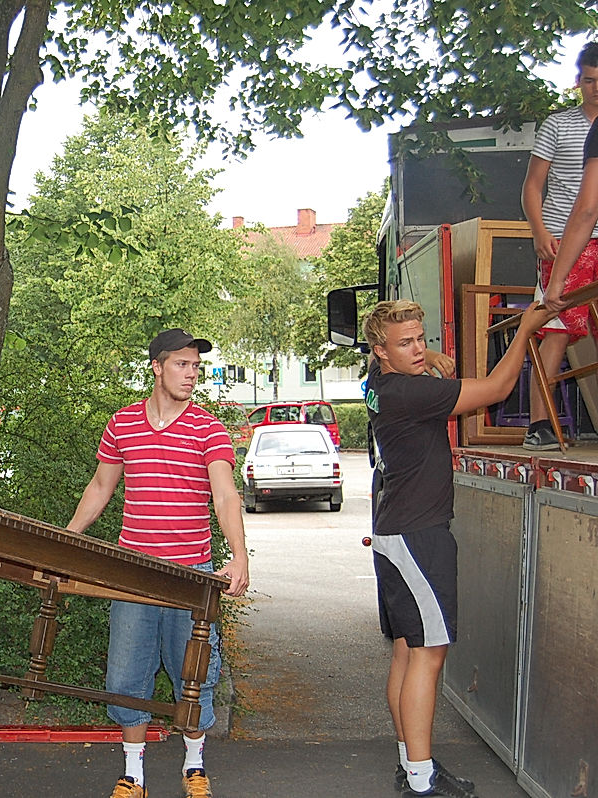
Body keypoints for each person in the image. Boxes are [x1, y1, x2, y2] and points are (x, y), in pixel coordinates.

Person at [363, 299, 554, 797]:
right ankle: (421, 783)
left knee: (407, 653)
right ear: (380, 351)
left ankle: (414, 767)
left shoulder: (381, 385)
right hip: (418, 536)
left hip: (396, 532)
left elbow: (421, 373)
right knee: (429, 655)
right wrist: (526, 328)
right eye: (405, 344)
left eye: (421, 338)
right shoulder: (409, 393)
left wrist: (430, 363)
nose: (418, 349)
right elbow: (497, 389)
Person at [66, 328, 250, 798]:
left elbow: (224, 494)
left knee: (196, 676)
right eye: (182, 365)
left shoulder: (208, 428)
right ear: (157, 367)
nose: (191, 374)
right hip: (135, 578)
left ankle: (194, 767)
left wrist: (239, 554)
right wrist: (68, 540)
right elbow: (101, 487)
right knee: (126, 677)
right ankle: (134, 775)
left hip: (192, 580)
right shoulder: (123, 424)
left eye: (196, 367)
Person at [520, 41, 598, 450]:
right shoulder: (558, 125)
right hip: (565, 235)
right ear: (578, 81)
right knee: (557, 325)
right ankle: (540, 423)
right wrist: (537, 231)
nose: (596, 88)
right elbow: (533, 185)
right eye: (589, 80)